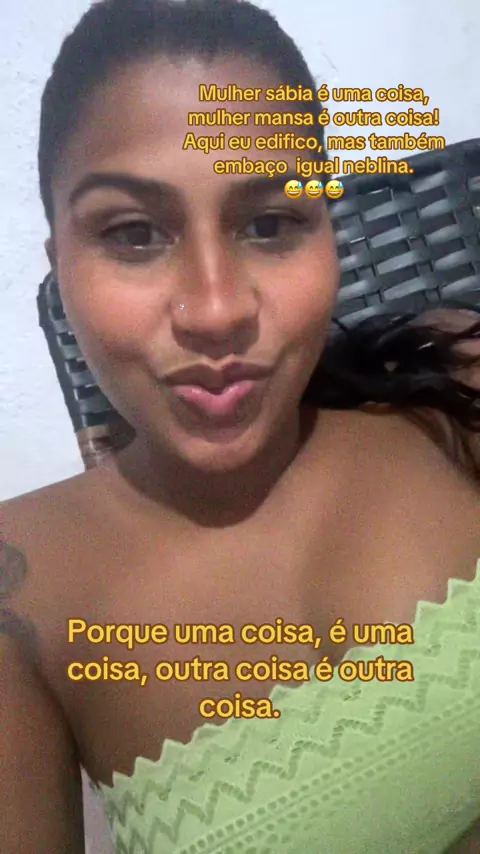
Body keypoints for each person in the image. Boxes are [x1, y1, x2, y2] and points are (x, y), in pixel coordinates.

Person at [1, 0, 479, 851]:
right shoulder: (19, 593)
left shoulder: (449, 385)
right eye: (134, 233)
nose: (217, 309)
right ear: (60, 269)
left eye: (270, 224)